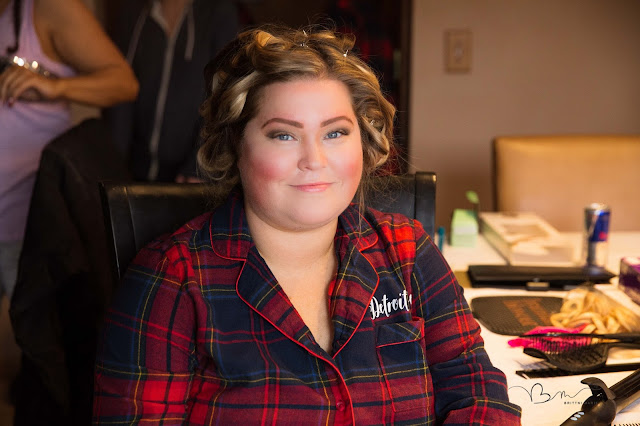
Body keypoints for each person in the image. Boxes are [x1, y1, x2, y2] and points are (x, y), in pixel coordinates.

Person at [93, 24, 522, 424]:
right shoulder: (172, 278)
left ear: (365, 140)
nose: (314, 160)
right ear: (235, 146)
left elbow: (476, 389)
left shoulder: (408, 252)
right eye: (284, 135)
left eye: (335, 133)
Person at [0, 0, 137, 313]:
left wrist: (55, 88)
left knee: (40, 343)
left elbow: (124, 84)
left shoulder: (50, 6)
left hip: (21, 217)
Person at [104, 0, 239, 182]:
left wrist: (197, 165)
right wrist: (114, 164)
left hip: (188, 174)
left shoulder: (219, 12)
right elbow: (120, 94)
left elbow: (223, 95)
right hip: (135, 167)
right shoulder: (134, 11)